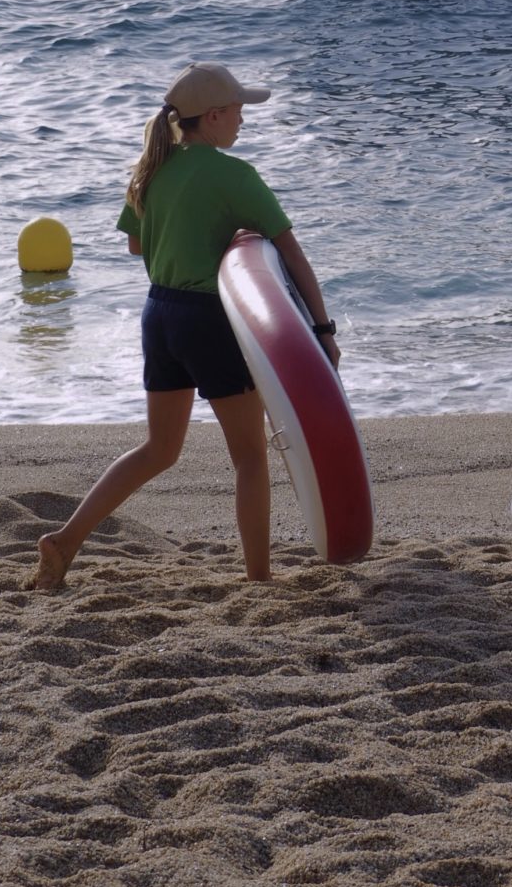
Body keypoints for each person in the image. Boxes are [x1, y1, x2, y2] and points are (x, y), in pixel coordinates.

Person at [25, 61, 339, 592]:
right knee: (249, 457)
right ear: (212, 117)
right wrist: (322, 329)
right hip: (211, 320)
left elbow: (135, 244)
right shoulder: (234, 175)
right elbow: (291, 252)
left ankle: (65, 540)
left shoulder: (153, 169)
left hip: (160, 315)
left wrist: (190, 230)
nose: (243, 120)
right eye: (238, 110)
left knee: (159, 449)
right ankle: (259, 580)